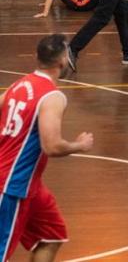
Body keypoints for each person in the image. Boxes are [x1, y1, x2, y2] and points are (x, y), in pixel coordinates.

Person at [0, 34, 94, 262]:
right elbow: (51, 146)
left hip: (29, 184)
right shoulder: (52, 96)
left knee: (51, 236)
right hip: (12, 185)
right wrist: (79, 145)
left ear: (37, 57)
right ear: (63, 61)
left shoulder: (19, 84)